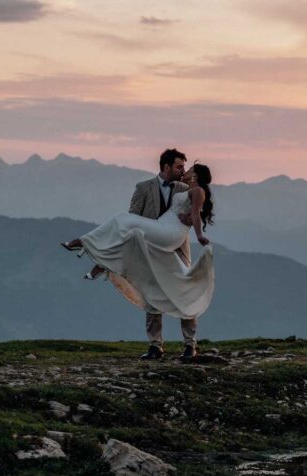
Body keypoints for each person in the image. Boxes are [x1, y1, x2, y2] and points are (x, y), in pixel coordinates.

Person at [61, 149, 214, 362]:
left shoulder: (186, 186)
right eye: (179, 167)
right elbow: (133, 216)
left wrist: (191, 220)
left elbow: (200, 207)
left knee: (184, 291)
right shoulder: (143, 188)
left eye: (184, 167)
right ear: (166, 166)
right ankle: (155, 346)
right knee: (151, 293)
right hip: (149, 246)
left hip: (176, 246)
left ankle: (190, 345)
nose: (182, 171)